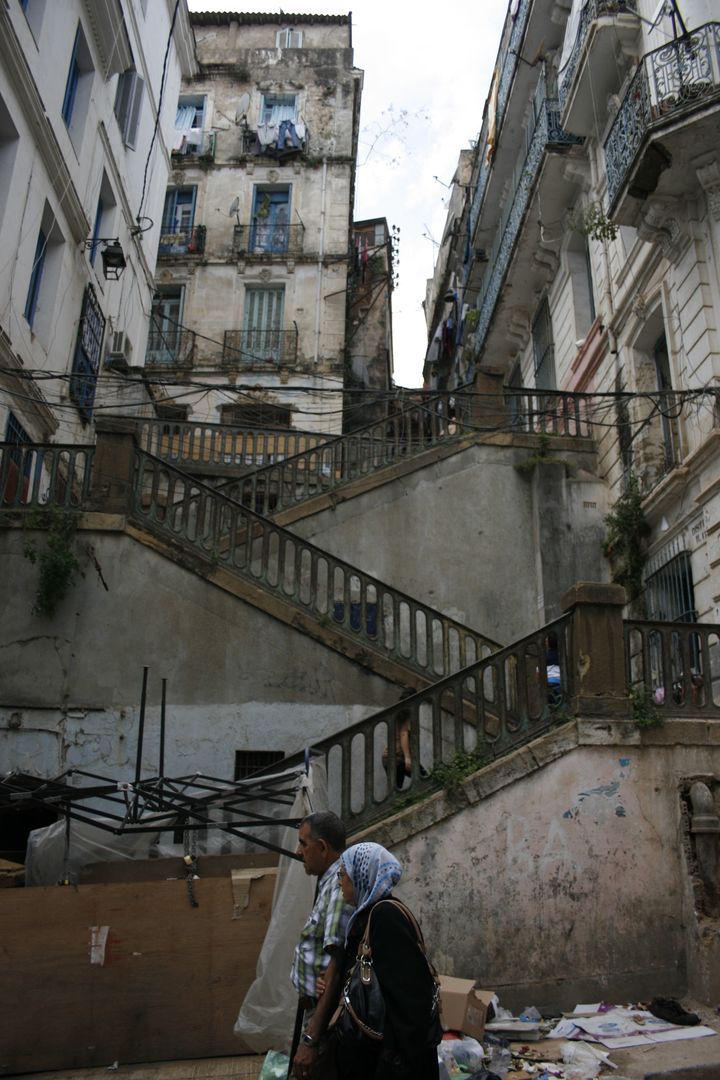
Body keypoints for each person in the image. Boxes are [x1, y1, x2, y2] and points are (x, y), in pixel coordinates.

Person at [335, 842, 440, 1080]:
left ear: (362, 875)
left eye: (343, 874)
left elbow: (409, 997)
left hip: (395, 1061)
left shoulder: (385, 916)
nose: (340, 882)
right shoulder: (367, 916)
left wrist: (395, 1063)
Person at [291, 811, 351, 1080]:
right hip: (313, 1009)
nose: (299, 851)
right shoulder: (328, 883)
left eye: (304, 843)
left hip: (323, 1017)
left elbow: (335, 968)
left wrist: (310, 1040)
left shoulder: (339, 888)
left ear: (322, 847)